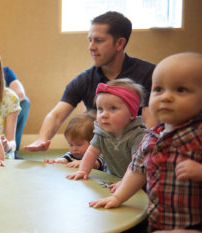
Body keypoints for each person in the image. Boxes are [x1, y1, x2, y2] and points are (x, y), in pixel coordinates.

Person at [89, 52, 202, 232]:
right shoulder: (151, 136)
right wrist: (118, 198)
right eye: (158, 89)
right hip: (158, 220)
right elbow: (136, 171)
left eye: (180, 90)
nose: (165, 97)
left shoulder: (198, 135)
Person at [24, 11, 156, 152]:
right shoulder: (85, 79)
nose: (91, 47)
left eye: (98, 41)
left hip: (135, 153)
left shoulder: (148, 74)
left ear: (119, 43)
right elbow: (56, 115)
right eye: (90, 40)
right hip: (98, 153)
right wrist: (42, 139)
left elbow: (150, 126)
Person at [66, 78, 146, 180]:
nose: (104, 114)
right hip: (113, 177)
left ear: (131, 113)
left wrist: (126, 183)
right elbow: (92, 152)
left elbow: (137, 164)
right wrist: (83, 170)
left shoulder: (138, 135)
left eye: (112, 108)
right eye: (100, 109)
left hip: (137, 181)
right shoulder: (102, 133)